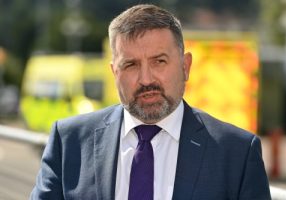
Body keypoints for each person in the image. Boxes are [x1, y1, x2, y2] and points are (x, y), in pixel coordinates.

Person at [30, 4, 271, 200]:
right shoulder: (69, 141)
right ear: (115, 73)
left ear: (185, 67)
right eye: (131, 64)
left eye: (159, 61)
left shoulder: (237, 153)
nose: (146, 79)